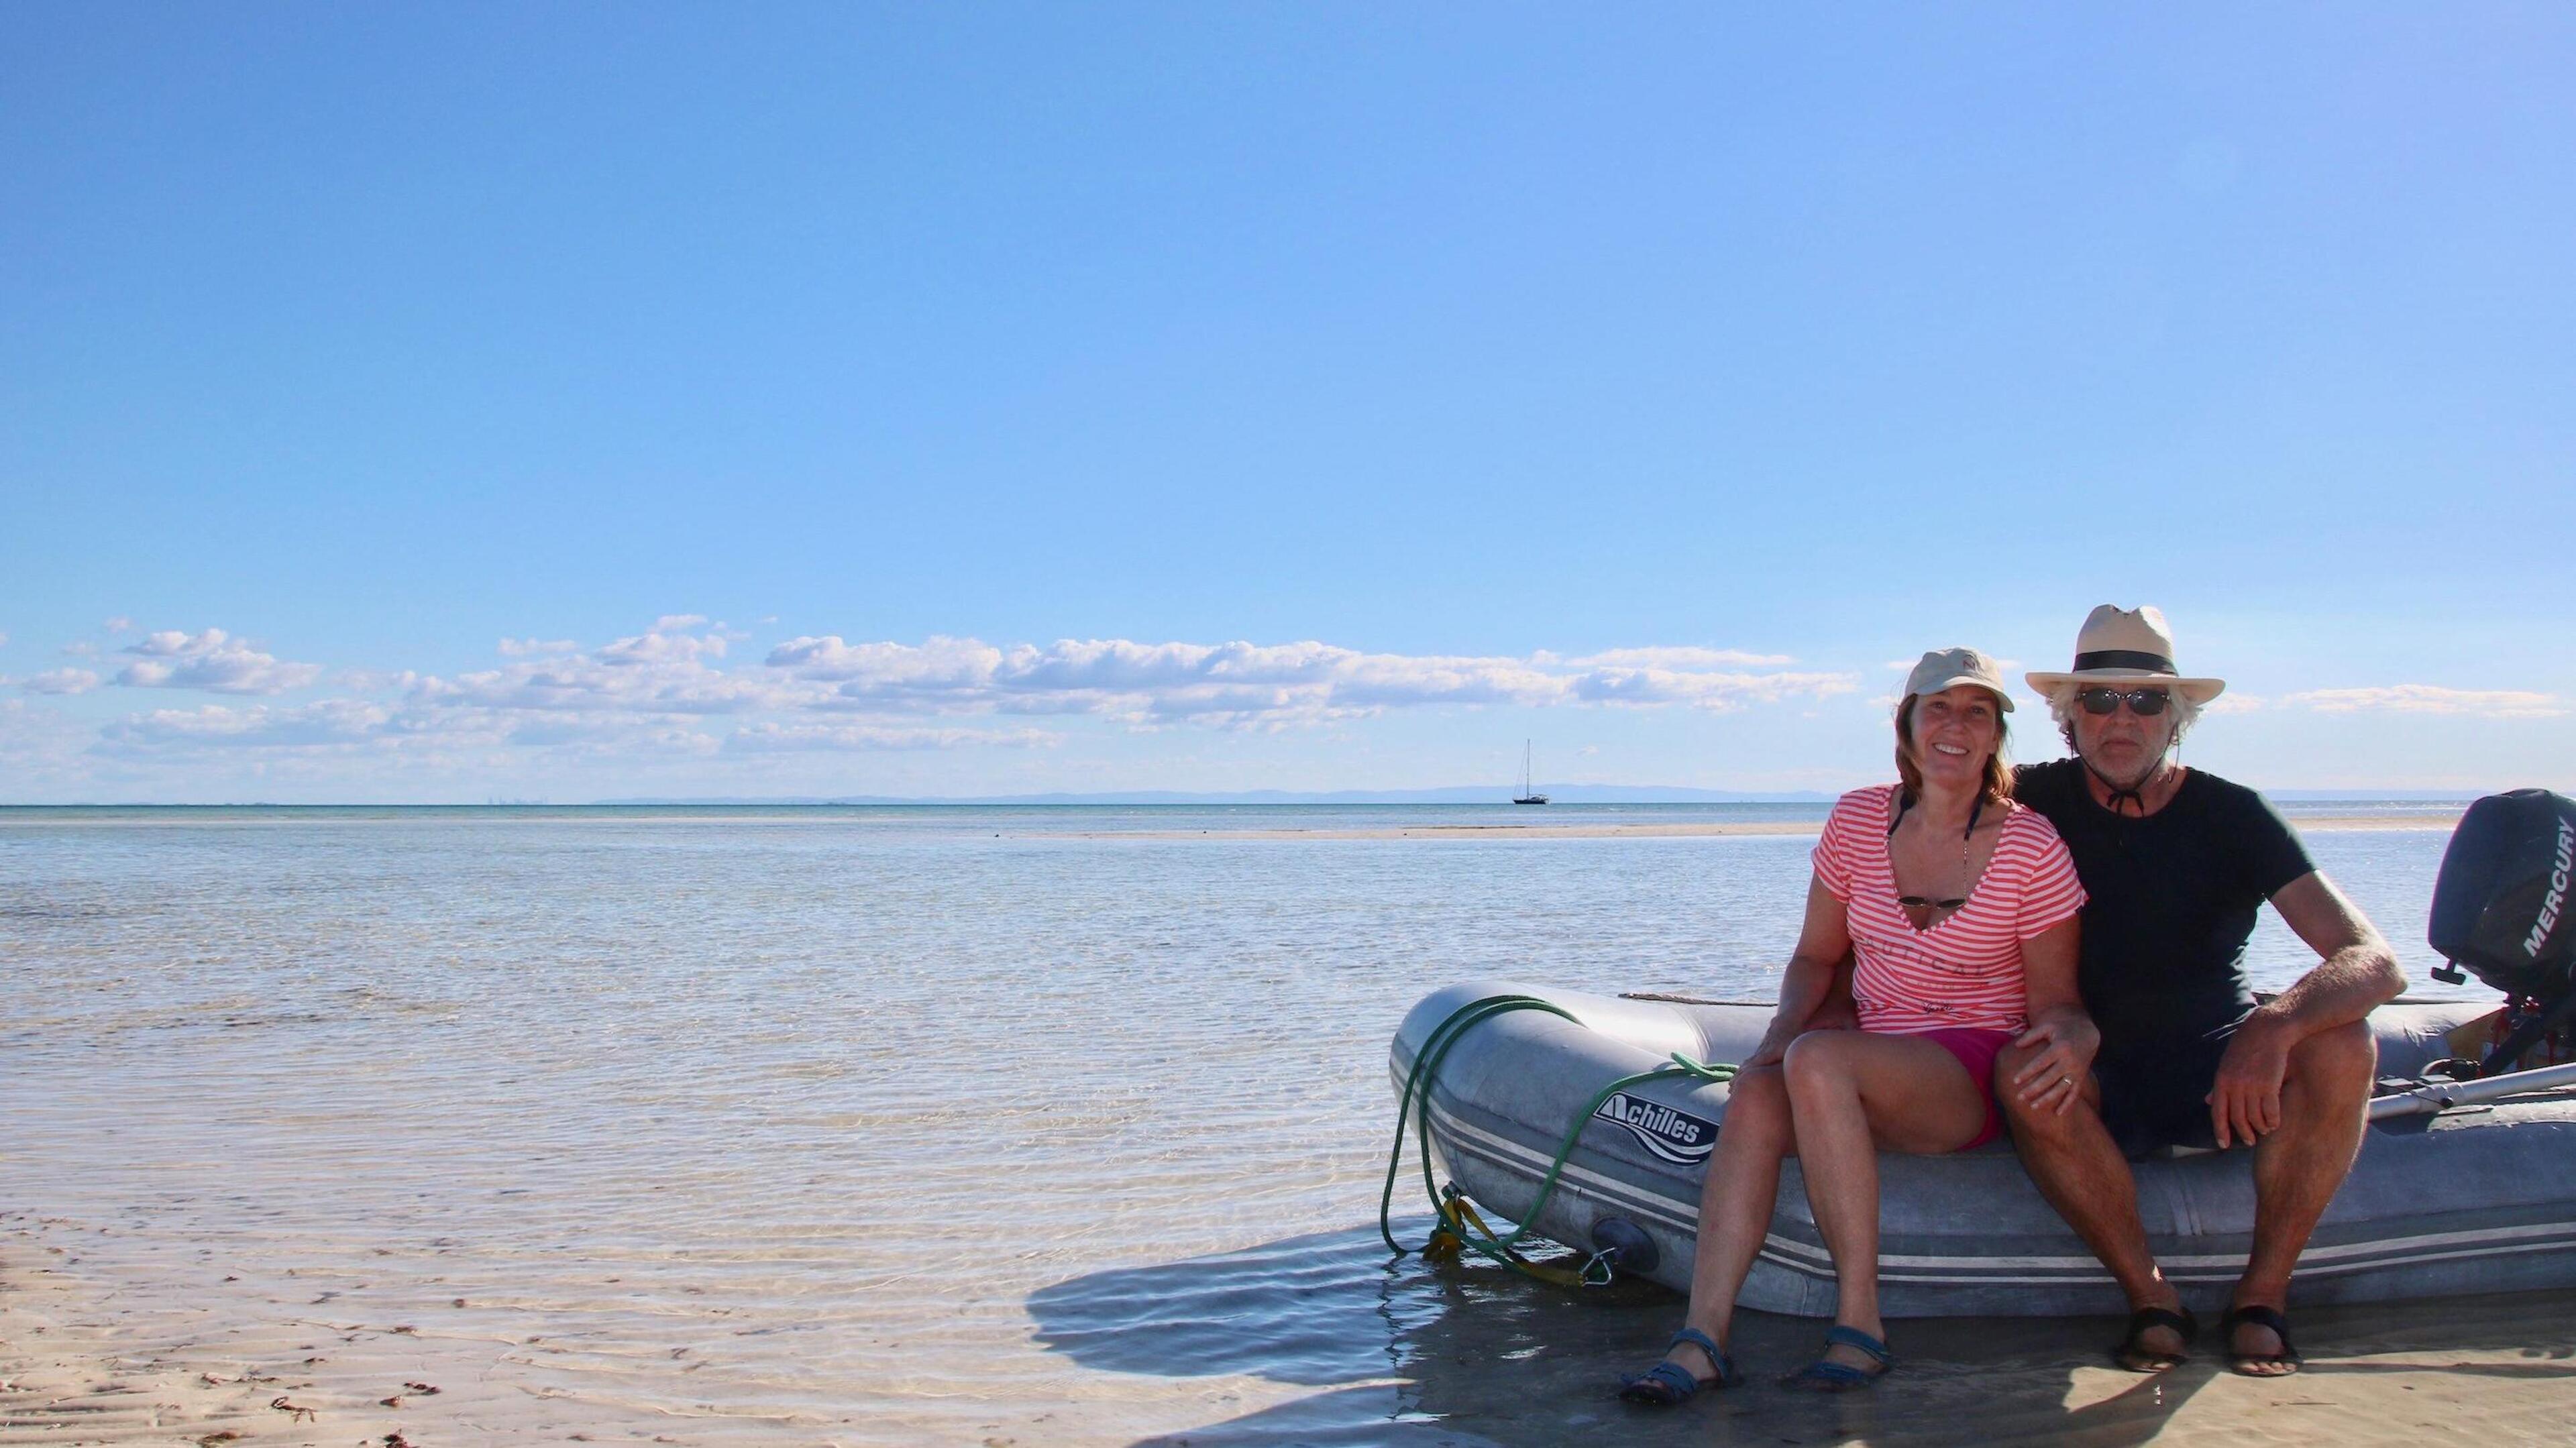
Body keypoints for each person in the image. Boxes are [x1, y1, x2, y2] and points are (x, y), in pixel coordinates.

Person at [1620, 648, 2088, 1402]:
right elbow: (1814, 957)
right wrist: (1776, 1039)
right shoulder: (1857, 818)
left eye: (1977, 712)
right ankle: (1702, 1337)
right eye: (1937, 707)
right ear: (1905, 724)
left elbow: (2058, 1000)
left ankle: (1859, 1325)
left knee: (1820, 1061)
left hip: (1970, 1067)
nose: (1955, 726)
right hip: (1869, 1053)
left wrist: (2076, 1038)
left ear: (1997, 734)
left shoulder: (2032, 844)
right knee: (1762, 1090)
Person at [1997, 605, 2406, 1378]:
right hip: (2088, 1066)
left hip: (2219, 1068)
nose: (2123, 718)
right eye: (2100, 698)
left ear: (2177, 716)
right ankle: (2152, 1297)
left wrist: (2275, 1025)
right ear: (2068, 715)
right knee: (2022, 1071)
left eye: (2147, 700)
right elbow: (1908, 860)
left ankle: (2264, 1295)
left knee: (2346, 1039)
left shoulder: (2233, 815)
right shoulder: (2022, 801)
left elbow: (2374, 958)